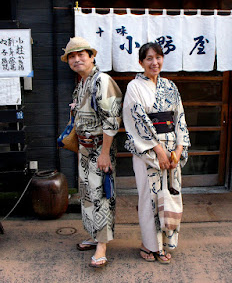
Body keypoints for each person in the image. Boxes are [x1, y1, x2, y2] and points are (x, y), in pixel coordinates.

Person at [122, 42, 190, 264]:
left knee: (169, 195)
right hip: (148, 152)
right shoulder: (134, 86)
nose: (155, 62)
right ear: (140, 62)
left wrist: (179, 149)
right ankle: (149, 244)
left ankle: (165, 245)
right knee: (149, 198)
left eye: (158, 57)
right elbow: (137, 120)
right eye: (149, 58)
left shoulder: (171, 86)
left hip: (172, 151)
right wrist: (158, 150)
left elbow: (180, 118)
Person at [61, 37, 122, 268]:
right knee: (87, 196)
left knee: (102, 196)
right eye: (72, 57)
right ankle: (95, 235)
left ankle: (102, 245)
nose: (76, 60)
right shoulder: (83, 83)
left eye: (81, 55)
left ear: (92, 56)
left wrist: (105, 153)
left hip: (100, 149)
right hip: (85, 150)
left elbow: (112, 121)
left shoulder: (101, 80)